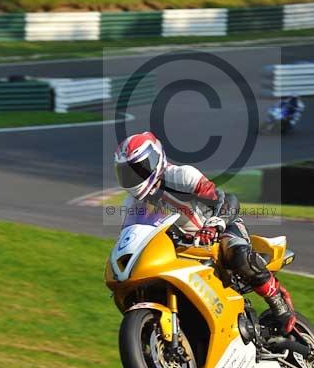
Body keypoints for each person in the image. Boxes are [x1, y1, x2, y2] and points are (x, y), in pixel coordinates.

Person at [114, 131, 296, 334]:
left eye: (138, 169)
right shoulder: (131, 204)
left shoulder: (181, 176)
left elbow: (227, 200)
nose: (133, 177)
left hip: (219, 231)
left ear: (155, 159)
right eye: (127, 172)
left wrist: (214, 225)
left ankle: (278, 304)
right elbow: (133, 236)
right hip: (183, 250)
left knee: (238, 255)